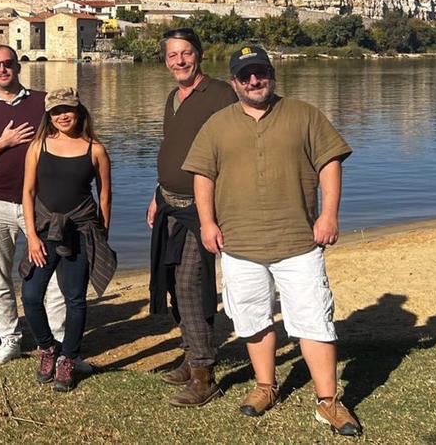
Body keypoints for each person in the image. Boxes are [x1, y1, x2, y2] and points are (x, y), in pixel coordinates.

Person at [183, 45, 362, 436]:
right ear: (234, 82)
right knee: (251, 316)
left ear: (271, 74)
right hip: (238, 242)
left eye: (260, 72)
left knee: (314, 319)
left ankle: (328, 401)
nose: (253, 81)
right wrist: (207, 223)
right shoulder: (217, 124)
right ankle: (265, 386)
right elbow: (203, 176)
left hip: (298, 239)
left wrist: (329, 215)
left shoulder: (304, 114)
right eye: (245, 76)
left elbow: (329, 163)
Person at [145, 28, 237, 407]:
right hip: (169, 204)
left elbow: (235, 147)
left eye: (186, 53)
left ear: (198, 54)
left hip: (201, 208)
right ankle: (190, 353)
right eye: (172, 55)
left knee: (191, 284)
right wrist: (156, 195)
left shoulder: (220, 95)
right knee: (171, 283)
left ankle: (204, 374)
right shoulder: (173, 97)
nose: (179, 61)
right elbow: (172, 148)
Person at [0, 45, 66, 364]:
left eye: (7, 64)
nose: (2, 70)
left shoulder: (43, 102)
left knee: (52, 276)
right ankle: (10, 339)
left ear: (18, 66)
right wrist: (3, 142)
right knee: (0, 275)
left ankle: (57, 340)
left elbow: (71, 134)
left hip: (43, 204)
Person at [20, 88, 114, 392]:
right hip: (45, 231)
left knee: (75, 298)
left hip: (82, 231)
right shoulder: (38, 146)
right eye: (56, 111)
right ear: (48, 115)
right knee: (31, 295)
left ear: (79, 110)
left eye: (68, 109)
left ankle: (68, 359)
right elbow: (28, 193)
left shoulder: (95, 149)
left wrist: (102, 235)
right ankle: (47, 349)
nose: (63, 116)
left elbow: (105, 195)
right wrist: (32, 235)